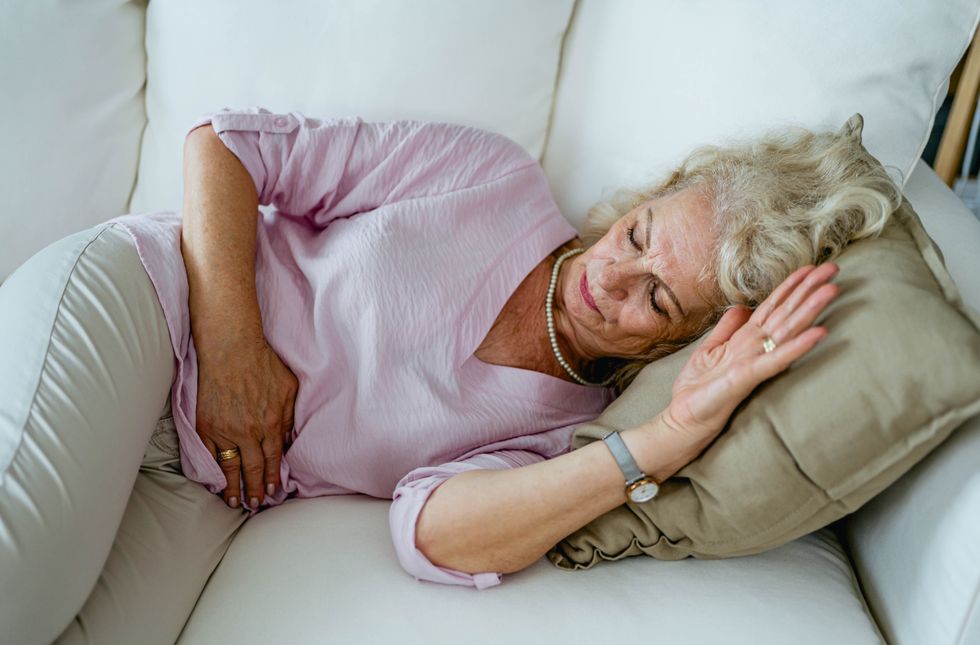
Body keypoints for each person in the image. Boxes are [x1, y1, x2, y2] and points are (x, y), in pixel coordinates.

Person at [0, 107, 899, 642]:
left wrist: (658, 442)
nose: (611, 278)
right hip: (150, 306)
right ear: (644, 200)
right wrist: (233, 342)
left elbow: (431, 533)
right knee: (15, 580)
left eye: (657, 299)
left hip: (215, 483)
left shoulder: (563, 428)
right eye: (637, 235)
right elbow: (225, 144)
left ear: (681, 344)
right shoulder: (490, 179)